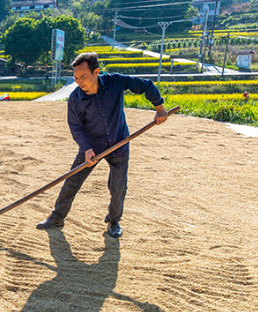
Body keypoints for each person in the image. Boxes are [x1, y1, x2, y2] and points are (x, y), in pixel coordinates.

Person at [36, 52, 168, 238]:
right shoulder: (75, 99)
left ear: (96, 72)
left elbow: (146, 85)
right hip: (93, 146)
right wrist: (87, 148)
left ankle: (113, 222)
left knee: (118, 186)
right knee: (72, 180)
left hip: (119, 142)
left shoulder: (115, 82)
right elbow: (76, 127)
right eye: (75, 78)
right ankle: (57, 217)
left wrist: (159, 108)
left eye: (83, 77)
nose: (79, 81)